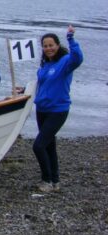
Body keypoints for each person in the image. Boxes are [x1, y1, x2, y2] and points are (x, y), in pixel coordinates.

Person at [32, 26, 83, 192]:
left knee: (38, 146)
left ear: (57, 45)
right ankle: (55, 181)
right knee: (49, 145)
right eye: (45, 46)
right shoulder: (45, 65)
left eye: (51, 45)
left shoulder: (65, 62)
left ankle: (46, 180)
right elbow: (42, 84)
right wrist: (24, 91)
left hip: (58, 110)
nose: (48, 48)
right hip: (42, 109)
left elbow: (78, 58)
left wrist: (71, 38)